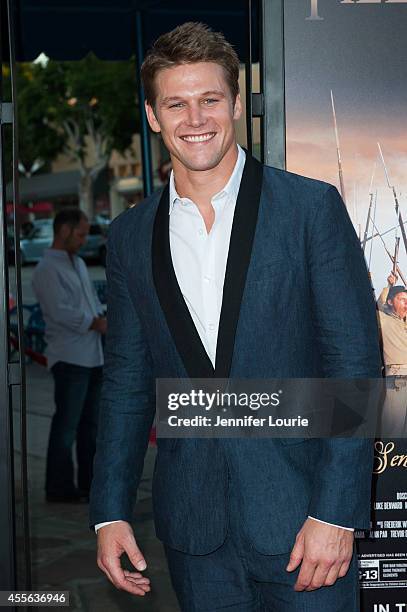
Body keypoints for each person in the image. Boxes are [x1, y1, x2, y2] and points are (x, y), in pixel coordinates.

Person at [89, 22, 381, 611]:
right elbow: (125, 382)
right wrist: (110, 511)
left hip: (306, 525)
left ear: (237, 105)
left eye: (209, 99)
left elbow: (354, 365)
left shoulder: (308, 208)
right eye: (176, 103)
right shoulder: (128, 236)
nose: (194, 118)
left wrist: (335, 511)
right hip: (195, 534)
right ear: (153, 115)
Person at [32, 208, 106, 503]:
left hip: (92, 355)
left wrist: (101, 317)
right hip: (69, 357)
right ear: (63, 231)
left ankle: (89, 485)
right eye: (80, 233)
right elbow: (59, 311)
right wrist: (94, 322)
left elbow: (89, 303)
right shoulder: (46, 269)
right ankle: (59, 487)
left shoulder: (78, 264)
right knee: (67, 426)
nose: (84, 239)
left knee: (91, 427)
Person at [377, 272, 407, 434]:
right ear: (390, 302)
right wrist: (388, 286)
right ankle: (389, 457)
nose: (406, 303)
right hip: (398, 376)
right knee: (393, 427)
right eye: (402, 299)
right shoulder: (384, 318)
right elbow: (379, 305)